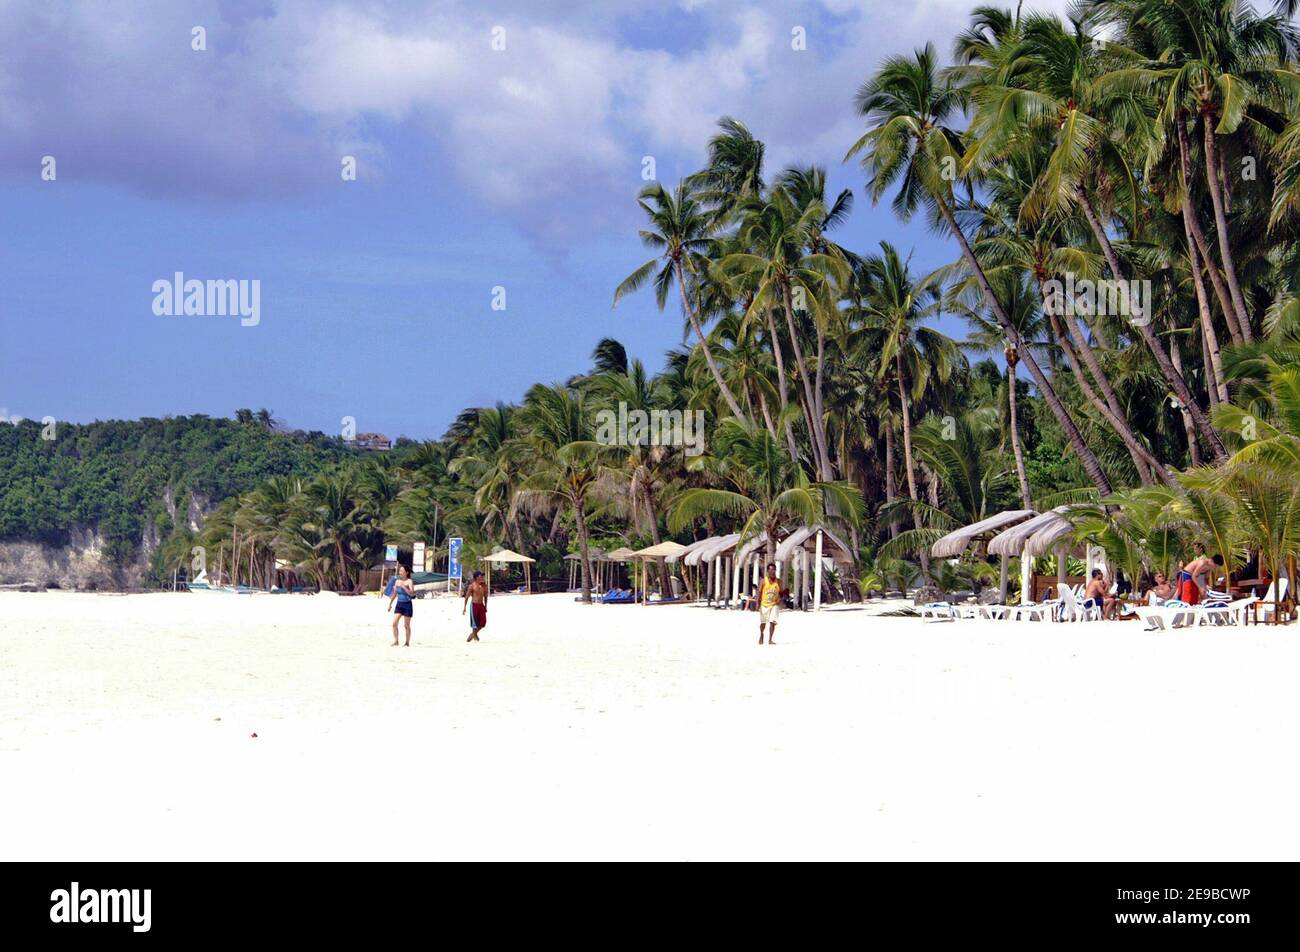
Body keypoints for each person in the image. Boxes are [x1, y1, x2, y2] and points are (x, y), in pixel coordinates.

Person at [387, 564, 415, 647]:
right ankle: (396, 641)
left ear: (406, 572)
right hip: (399, 604)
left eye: (402, 571)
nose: (400, 572)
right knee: (394, 623)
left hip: (407, 604)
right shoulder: (397, 581)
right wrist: (390, 604)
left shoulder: (409, 581)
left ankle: (407, 642)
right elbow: (395, 594)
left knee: (406, 625)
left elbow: (412, 594)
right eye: (400, 571)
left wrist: (403, 587)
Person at [757, 562, 784, 645]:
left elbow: (781, 593)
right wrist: (757, 603)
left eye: (774, 570)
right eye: (771, 570)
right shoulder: (763, 581)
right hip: (764, 604)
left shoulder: (778, 581)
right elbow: (759, 592)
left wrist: (780, 600)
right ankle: (761, 635)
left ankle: (770, 639)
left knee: (772, 622)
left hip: (774, 604)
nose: (772, 571)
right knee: (763, 623)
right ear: (767, 571)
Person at [462, 570, 488, 642]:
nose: (482, 577)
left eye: (483, 576)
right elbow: (467, 597)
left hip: (481, 605)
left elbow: (486, 597)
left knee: (483, 622)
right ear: (476, 577)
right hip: (474, 605)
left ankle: (473, 634)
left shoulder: (485, 586)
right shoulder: (472, 586)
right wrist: (464, 607)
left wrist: (485, 606)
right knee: (475, 623)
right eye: (481, 576)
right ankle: (474, 635)